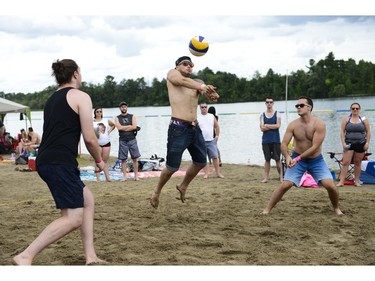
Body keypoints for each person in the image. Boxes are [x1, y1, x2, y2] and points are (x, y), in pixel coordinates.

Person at [13, 59, 106, 265]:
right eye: (80, 72)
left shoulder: (52, 98)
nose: (81, 76)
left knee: (87, 200)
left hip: (48, 159)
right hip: (59, 162)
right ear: (74, 74)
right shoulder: (81, 96)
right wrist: (99, 160)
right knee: (73, 218)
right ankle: (26, 255)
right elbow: (89, 137)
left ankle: (91, 256)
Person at [149, 55, 220, 209]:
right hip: (178, 128)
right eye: (185, 64)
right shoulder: (172, 75)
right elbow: (182, 81)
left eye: (191, 64)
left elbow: (206, 92)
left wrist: (212, 94)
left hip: (194, 128)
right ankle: (156, 192)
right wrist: (202, 87)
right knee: (172, 167)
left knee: (201, 161)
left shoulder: (197, 83)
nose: (189, 66)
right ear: (177, 66)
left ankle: (183, 186)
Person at [262, 96, 343, 216]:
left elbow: (315, 147)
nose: (298, 108)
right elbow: (283, 144)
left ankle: (336, 208)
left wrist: (297, 158)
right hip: (297, 159)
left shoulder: (319, 124)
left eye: (301, 105)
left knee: (330, 185)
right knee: (285, 184)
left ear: (309, 107)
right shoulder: (293, 125)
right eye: (297, 106)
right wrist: (288, 156)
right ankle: (267, 209)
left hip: (315, 160)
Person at [336, 102, 371, 187]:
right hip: (349, 143)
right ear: (350, 109)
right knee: (345, 162)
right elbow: (342, 131)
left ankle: (356, 181)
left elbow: (368, 131)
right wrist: (343, 143)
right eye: (353, 108)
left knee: (357, 162)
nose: (355, 110)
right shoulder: (346, 119)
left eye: (357, 108)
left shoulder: (363, 119)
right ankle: (341, 182)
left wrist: (367, 143)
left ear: (359, 109)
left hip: (361, 143)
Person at [115, 101, 141, 181]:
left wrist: (125, 127)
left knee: (135, 158)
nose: (124, 108)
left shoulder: (132, 116)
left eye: (125, 107)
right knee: (123, 159)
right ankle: (124, 176)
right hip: (122, 140)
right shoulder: (117, 117)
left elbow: (134, 127)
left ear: (127, 107)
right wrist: (129, 126)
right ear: (120, 108)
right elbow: (119, 128)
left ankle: (136, 176)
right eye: (122, 107)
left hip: (132, 139)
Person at [197, 102, 224, 179]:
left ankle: (218, 173)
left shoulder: (211, 116)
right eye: (202, 107)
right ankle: (206, 173)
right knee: (203, 158)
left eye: (205, 107)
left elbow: (217, 127)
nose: (204, 108)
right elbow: (193, 128)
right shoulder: (197, 117)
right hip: (201, 141)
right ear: (200, 108)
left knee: (215, 157)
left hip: (211, 140)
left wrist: (217, 135)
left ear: (207, 108)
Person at [260, 97, 283, 183]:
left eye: (270, 102)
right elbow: (262, 128)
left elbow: (278, 126)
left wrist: (267, 125)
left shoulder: (277, 114)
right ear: (265, 104)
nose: (269, 104)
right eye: (267, 102)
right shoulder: (262, 115)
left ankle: (281, 177)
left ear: (273, 103)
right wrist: (271, 126)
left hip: (275, 140)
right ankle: (266, 178)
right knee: (267, 159)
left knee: (277, 159)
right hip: (266, 141)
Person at [93, 107, 115, 182]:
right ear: (95, 113)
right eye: (97, 112)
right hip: (97, 143)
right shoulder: (92, 122)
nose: (99, 113)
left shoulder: (105, 120)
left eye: (100, 111)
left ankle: (107, 178)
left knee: (105, 160)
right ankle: (98, 178)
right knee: (98, 160)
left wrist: (109, 131)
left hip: (106, 142)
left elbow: (113, 125)